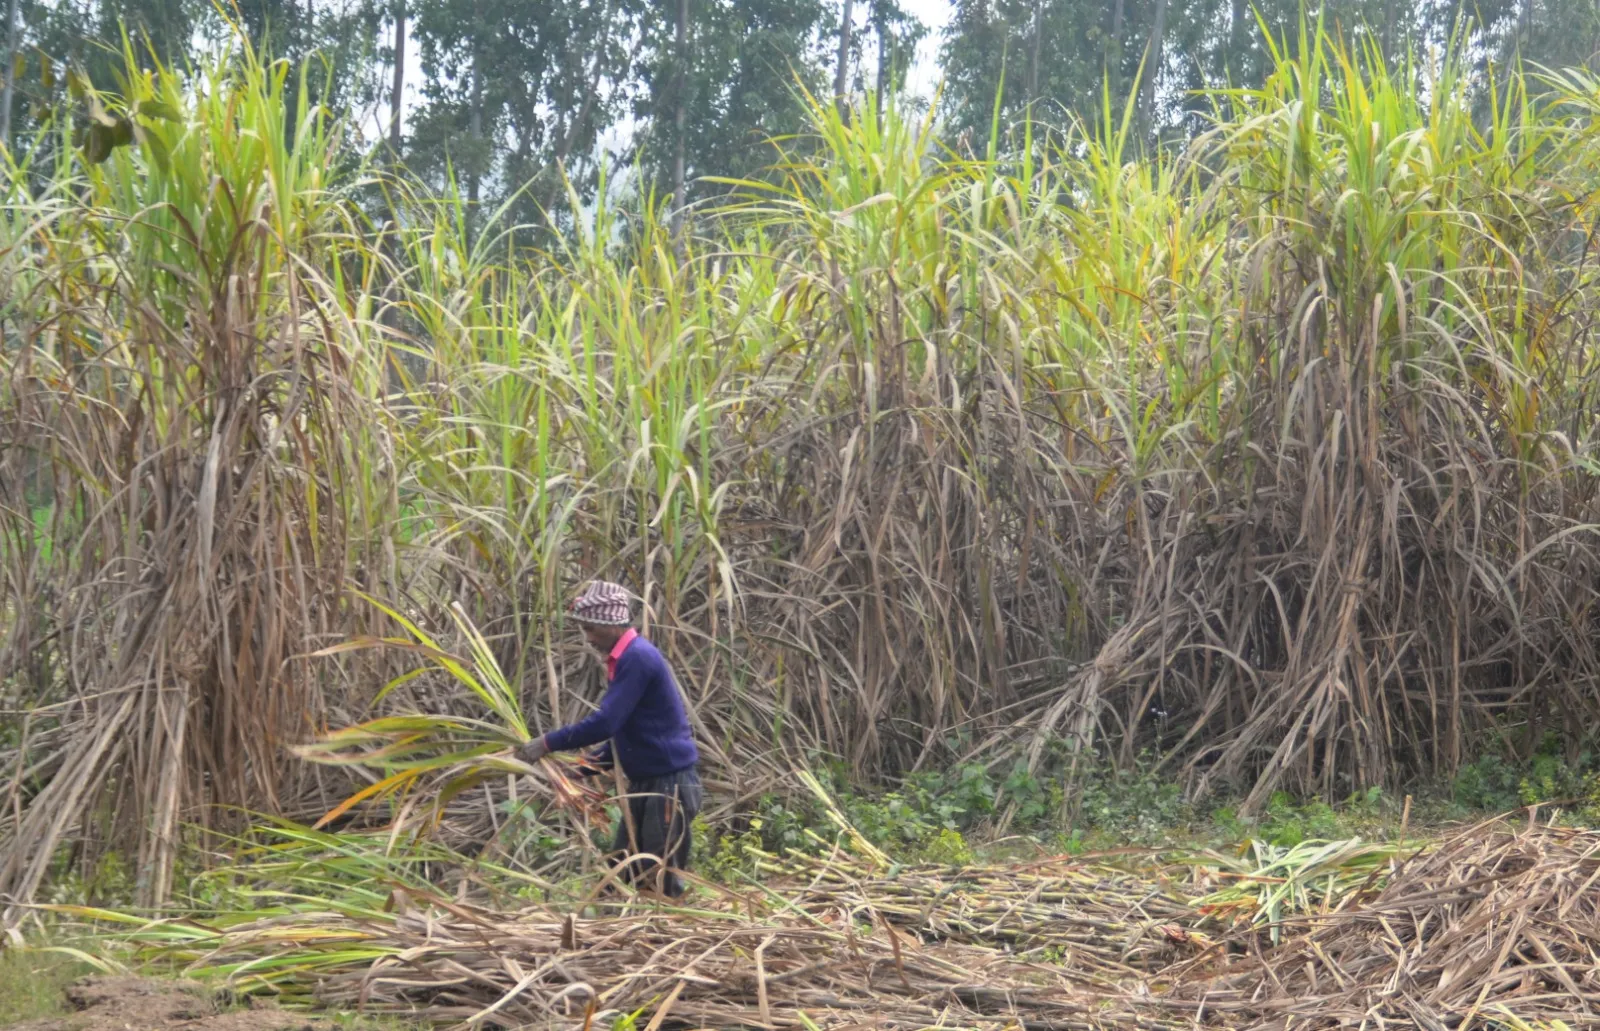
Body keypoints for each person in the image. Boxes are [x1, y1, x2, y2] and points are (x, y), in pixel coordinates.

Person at [517, 581, 702, 897]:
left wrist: (547, 743)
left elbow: (606, 723)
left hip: (669, 785)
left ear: (612, 625)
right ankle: (623, 937)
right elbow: (625, 735)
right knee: (621, 873)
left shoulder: (638, 658)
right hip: (648, 784)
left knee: (659, 880)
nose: (588, 638)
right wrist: (580, 770)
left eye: (590, 629)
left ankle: (667, 939)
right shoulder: (626, 658)